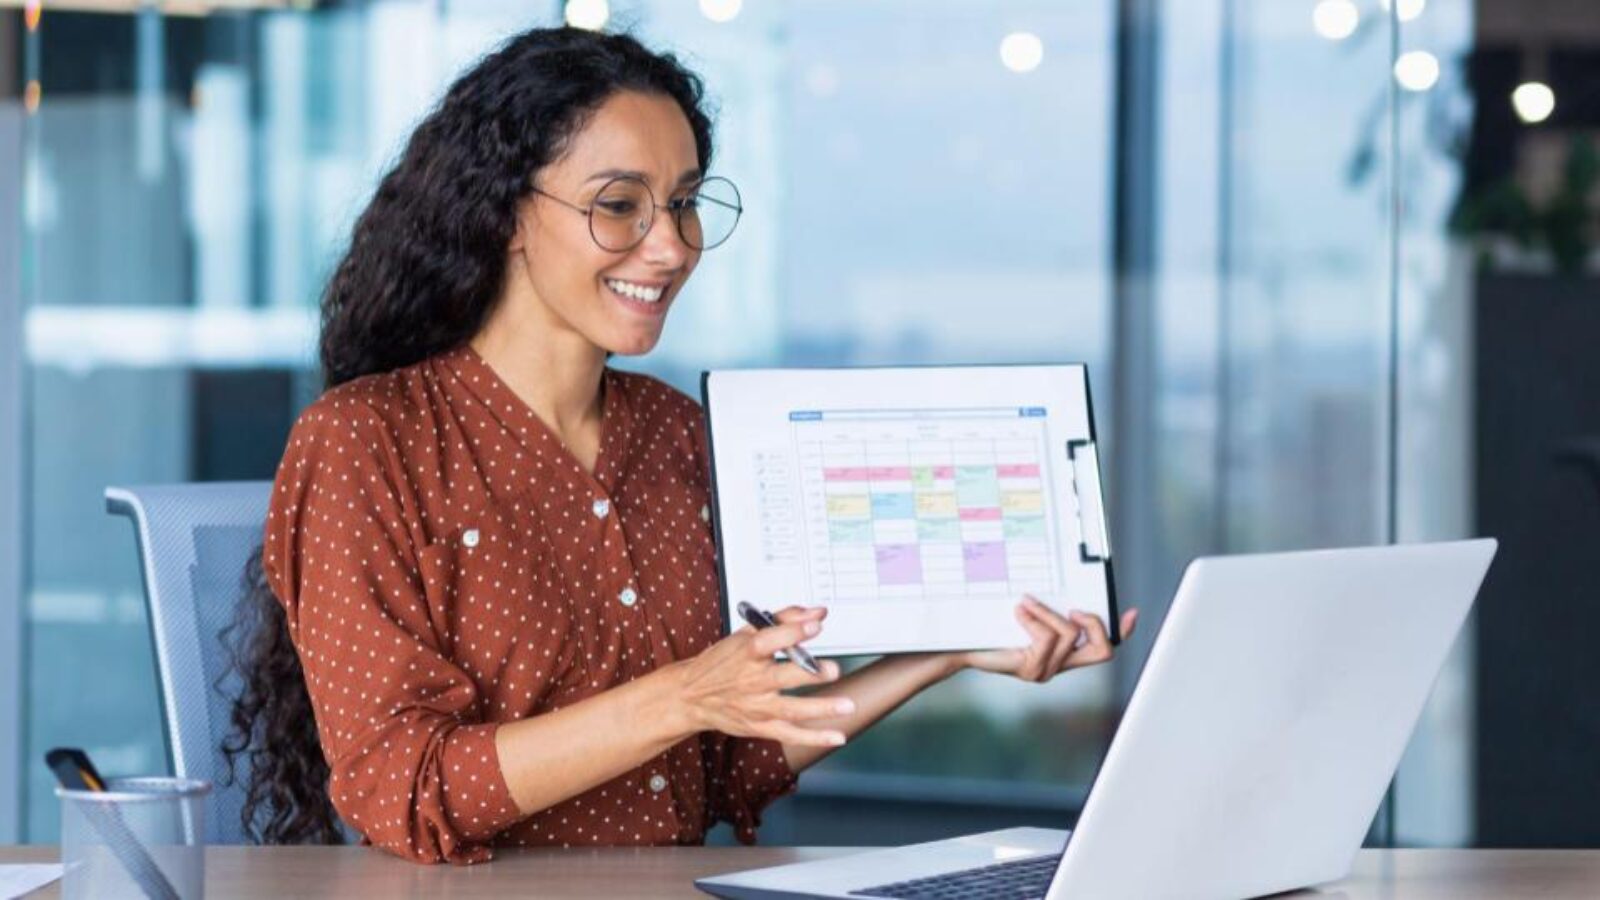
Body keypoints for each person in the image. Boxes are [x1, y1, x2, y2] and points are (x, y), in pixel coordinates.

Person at [223, 25, 1139, 865]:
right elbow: (404, 792)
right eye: (619, 205)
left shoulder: (675, 435)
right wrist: (684, 695)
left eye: (686, 204)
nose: (669, 247)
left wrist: (950, 645)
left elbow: (730, 760)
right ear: (504, 211)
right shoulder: (365, 442)